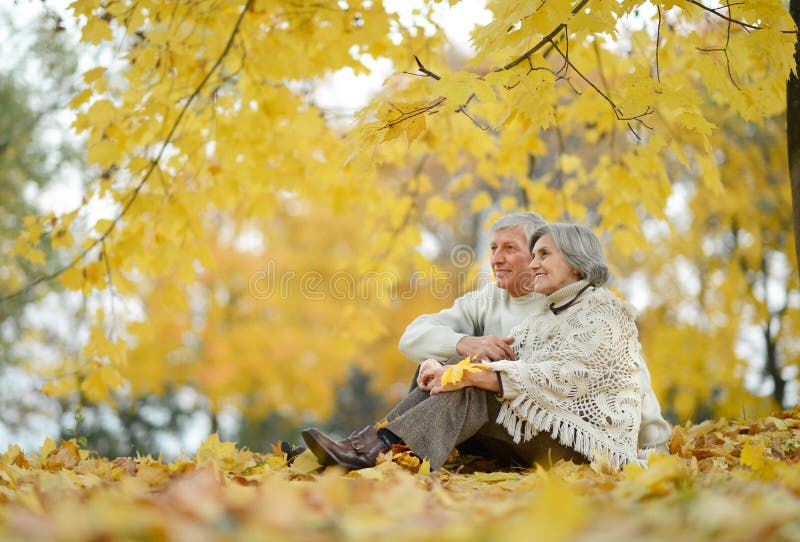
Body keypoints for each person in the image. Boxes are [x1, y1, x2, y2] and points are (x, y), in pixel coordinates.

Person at [303, 223, 668, 471]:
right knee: (459, 369)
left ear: (575, 264)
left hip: (590, 449)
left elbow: (563, 377)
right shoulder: (547, 315)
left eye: (543, 255)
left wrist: (468, 375)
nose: (534, 264)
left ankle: (379, 452)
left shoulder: (602, 311)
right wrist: (450, 365)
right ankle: (364, 446)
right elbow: (511, 361)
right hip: (546, 432)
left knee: (472, 387)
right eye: (534, 254)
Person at [398, 212, 547, 363]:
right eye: (494, 248)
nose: (496, 259)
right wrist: (463, 343)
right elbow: (411, 337)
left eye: (509, 248)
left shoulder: (561, 303)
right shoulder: (486, 300)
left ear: (537, 255)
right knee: (431, 367)